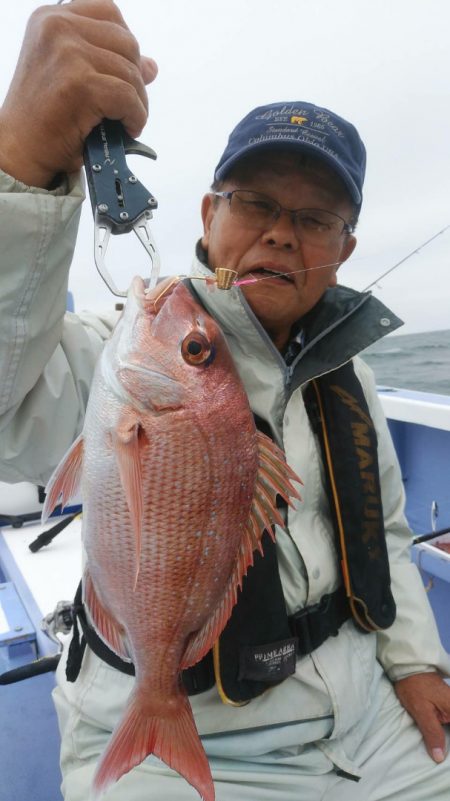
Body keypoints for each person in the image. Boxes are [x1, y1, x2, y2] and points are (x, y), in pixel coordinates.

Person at [0, 2, 449, 800]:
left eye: (313, 218)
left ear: (345, 248)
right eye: (254, 203)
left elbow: (383, 528)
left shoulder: (349, 375)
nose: (280, 233)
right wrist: (20, 171)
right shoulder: (129, 347)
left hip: (369, 714)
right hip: (180, 719)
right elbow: (11, 412)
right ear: (209, 214)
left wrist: (414, 661)